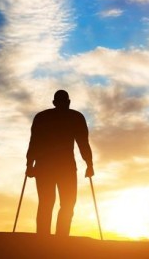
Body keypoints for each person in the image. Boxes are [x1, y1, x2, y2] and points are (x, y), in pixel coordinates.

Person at [26, 89, 94, 237]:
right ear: (68, 102)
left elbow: (34, 143)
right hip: (64, 168)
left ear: (54, 102)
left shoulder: (42, 117)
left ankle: (47, 239)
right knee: (63, 204)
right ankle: (58, 239)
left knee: (48, 202)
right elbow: (83, 144)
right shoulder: (75, 117)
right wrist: (89, 164)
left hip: (48, 167)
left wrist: (29, 164)